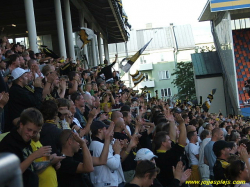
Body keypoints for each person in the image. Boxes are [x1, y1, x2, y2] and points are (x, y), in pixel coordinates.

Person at [0, 108, 52, 187]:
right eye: (29, 130)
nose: (31, 134)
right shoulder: (9, 143)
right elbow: (13, 173)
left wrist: (50, 160)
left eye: (35, 132)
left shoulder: (25, 141)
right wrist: (34, 155)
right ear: (21, 125)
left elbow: (31, 167)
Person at [89, 120, 125, 187]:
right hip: (105, 183)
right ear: (100, 130)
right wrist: (117, 152)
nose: (109, 131)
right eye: (106, 129)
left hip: (103, 182)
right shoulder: (98, 145)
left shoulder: (96, 144)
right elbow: (114, 165)